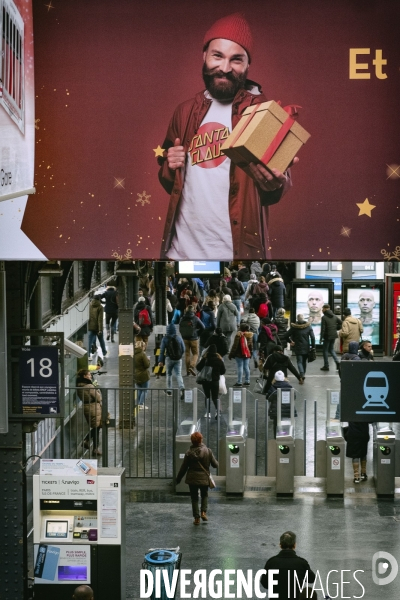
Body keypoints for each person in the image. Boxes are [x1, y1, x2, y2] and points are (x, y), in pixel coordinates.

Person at [157, 13, 294, 260]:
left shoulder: (265, 113)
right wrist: (170, 164)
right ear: (205, 56)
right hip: (178, 253)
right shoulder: (185, 111)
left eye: (236, 59)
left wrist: (276, 181)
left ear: (247, 65)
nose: (225, 67)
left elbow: (274, 190)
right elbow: (170, 182)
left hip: (234, 255)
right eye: (217, 56)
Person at [176, 432, 218, 525]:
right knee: (204, 495)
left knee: (194, 498)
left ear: (192, 441)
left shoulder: (188, 453)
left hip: (192, 478)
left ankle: (196, 518)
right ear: (201, 440)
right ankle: (203, 512)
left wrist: (178, 479)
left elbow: (183, 468)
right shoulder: (208, 451)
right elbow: (215, 465)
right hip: (204, 478)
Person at [260, 531, 315, 599]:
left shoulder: (271, 562)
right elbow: (312, 579)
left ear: (280, 545)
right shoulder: (301, 563)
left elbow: (264, 583)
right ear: (294, 545)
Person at [76, 369, 102, 456]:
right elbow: (98, 398)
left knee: (96, 427)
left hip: (86, 407)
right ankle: (92, 446)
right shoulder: (89, 386)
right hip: (93, 407)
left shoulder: (79, 385)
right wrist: (97, 390)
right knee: (96, 427)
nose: (90, 376)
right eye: (89, 374)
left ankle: (91, 444)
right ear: (85, 376)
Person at [196, 344, 226, 419]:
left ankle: (208, 413)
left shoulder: (205, 359)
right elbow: (223, 371)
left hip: (205, 381)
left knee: (207, 396)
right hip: (215, 381)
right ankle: (217, 412)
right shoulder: (219, 360)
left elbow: (198, 367)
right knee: (215, 397)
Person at [284, 314, 315, 380]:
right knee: (304, 361)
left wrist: (290, 342)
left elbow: (286, 335)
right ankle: (303, 373)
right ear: (303, 318)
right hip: (306, 346)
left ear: (297, 319)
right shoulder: (308, 326)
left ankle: (301, 373)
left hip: (297, 346)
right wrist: (313, 347)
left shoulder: (294, 327)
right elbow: (312, 337)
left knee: (299, 361)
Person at [266, 371, 296, 438]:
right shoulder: (290, 387)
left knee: (277, 425)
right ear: (284, 378)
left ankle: (277, 439)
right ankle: (288, 438)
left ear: (275, 379)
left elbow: (268, 398)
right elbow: (294, 397)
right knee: (288, 425)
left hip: (276, 411)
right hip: (288, 410)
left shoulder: (272, 388)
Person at [158, 323, 185, 398]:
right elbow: (183, 349)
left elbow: (162, 350)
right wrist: (179, 355)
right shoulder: (178, 338)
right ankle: (182, 388)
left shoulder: (165, 339)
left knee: (169, 374)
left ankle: (169, 390)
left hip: (169, 358)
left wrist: (160, 361)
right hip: (178, 359)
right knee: (178, 374)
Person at [179, 305, 205, 376]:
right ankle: (192, 366)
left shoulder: (182, 318)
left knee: (187, 354)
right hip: (194, 339)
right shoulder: (195, 318)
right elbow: (203, 327)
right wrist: (197, 334)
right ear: (193, 310)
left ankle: (188, 371)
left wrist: (183, 335)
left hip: (185, 339)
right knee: (195, 354)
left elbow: (180, 328)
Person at [228, 322, 253, 387]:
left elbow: (235, 346)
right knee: (246, 367)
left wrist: (231, 354)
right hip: (247, 354)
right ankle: (247, 381)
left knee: (240, 367)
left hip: (239, 354)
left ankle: (239, 382)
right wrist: (251, 352)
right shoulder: (249, 335)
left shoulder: (238, 335)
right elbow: (251, 346)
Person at [320, 303, 341, 371]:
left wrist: (321, 338)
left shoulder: (324, 317)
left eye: (323, 309)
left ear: (326, 309)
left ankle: (326, 365)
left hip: (327, 336)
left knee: (325, 350)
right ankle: (337, 362)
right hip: (334, 335)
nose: (322, 310)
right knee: (331, 349)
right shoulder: (334, 316)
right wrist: (335, 328)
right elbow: (341, 322)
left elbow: (323, 329)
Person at [133, 340, 150, 409]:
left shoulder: (133, 353)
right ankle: (141, 404)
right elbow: (146, 365)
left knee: (139, 389)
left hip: (136, 374)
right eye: (144, 346)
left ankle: (139, 403)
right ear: (142, 346)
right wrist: (148, 360)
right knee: (145, 390)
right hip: (143, 375)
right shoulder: (142, 354)